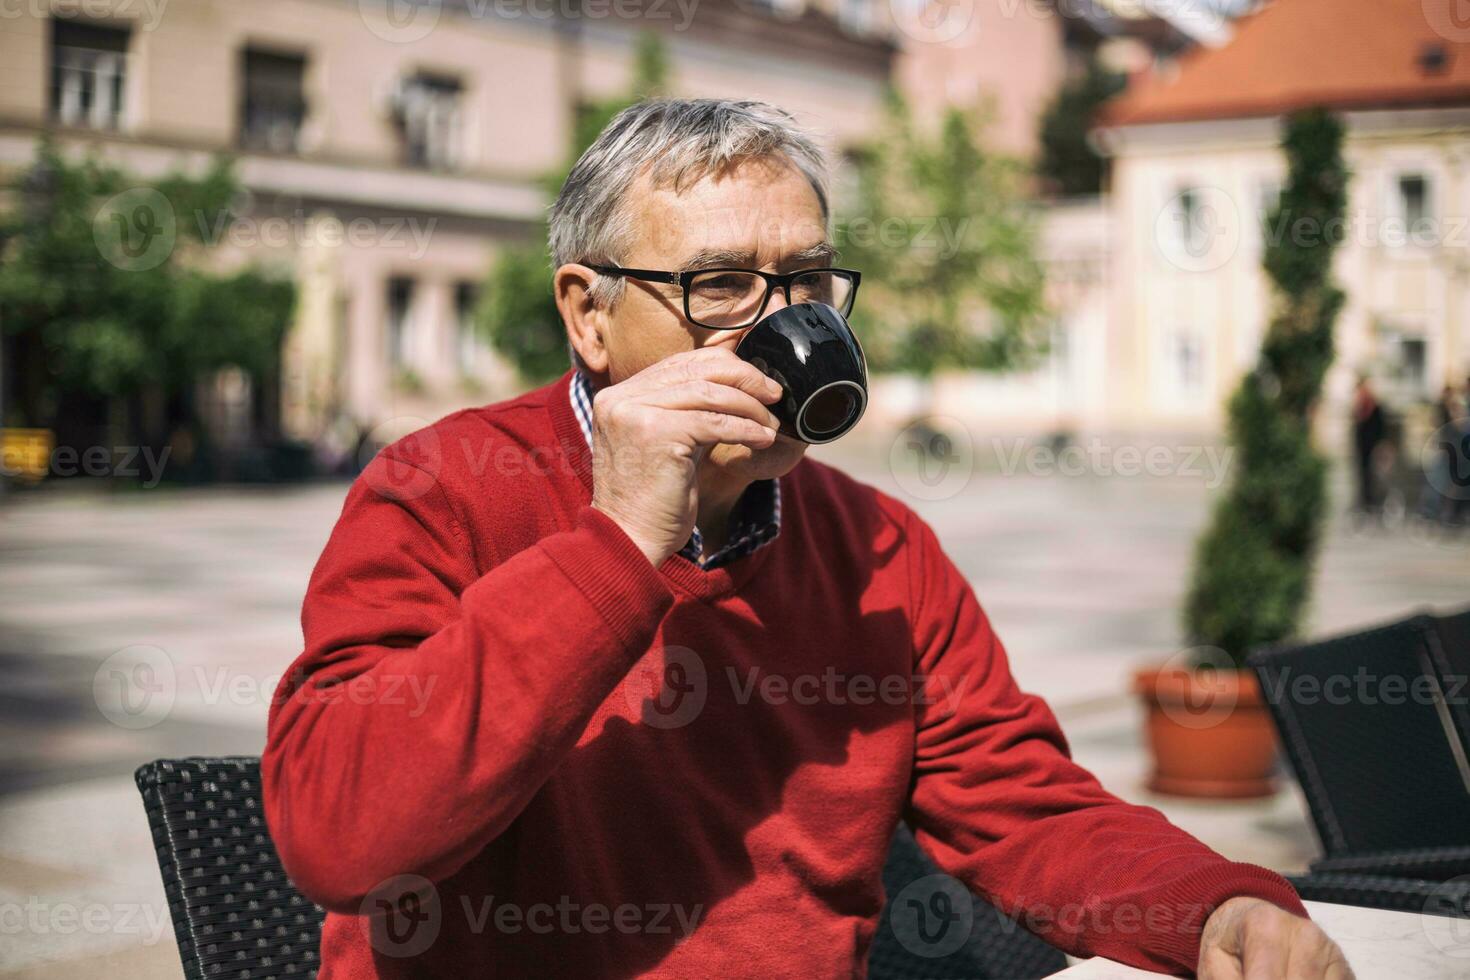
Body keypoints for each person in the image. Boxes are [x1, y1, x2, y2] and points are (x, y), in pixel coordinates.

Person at [263, 100, 1350, 979]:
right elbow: (336, 831)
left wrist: (1209, 907)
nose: (792, 327)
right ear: (588, 315)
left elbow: (1020, 800)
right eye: (723, 285)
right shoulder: (445, 489)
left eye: (809, 282)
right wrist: (620, 540)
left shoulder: (877, 544)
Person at [1350, 374, 1386, 517]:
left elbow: (1380, 429)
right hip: (1362, 446)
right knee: (1363, 474)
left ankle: (1373, 502)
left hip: (1372, 446)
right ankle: (1365, 502)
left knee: (1373, 475)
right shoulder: (1361, 405)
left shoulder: (1374, 406)